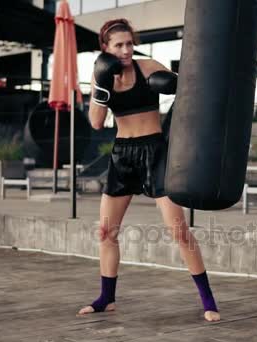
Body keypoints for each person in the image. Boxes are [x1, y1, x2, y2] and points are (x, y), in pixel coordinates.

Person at [77, 18, 220, 322]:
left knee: (179, 231)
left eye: (130, 43)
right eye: (119, 45)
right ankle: (107, 297)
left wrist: (175, 83)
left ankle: (208, 300)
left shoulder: (148, 67)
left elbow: (191, 87)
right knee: (106, 231)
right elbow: (96, 122)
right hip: (122, 156)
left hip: (155, 153)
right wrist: (102, 82)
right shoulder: (101, 75)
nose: (127, 50)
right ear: (106, 47)